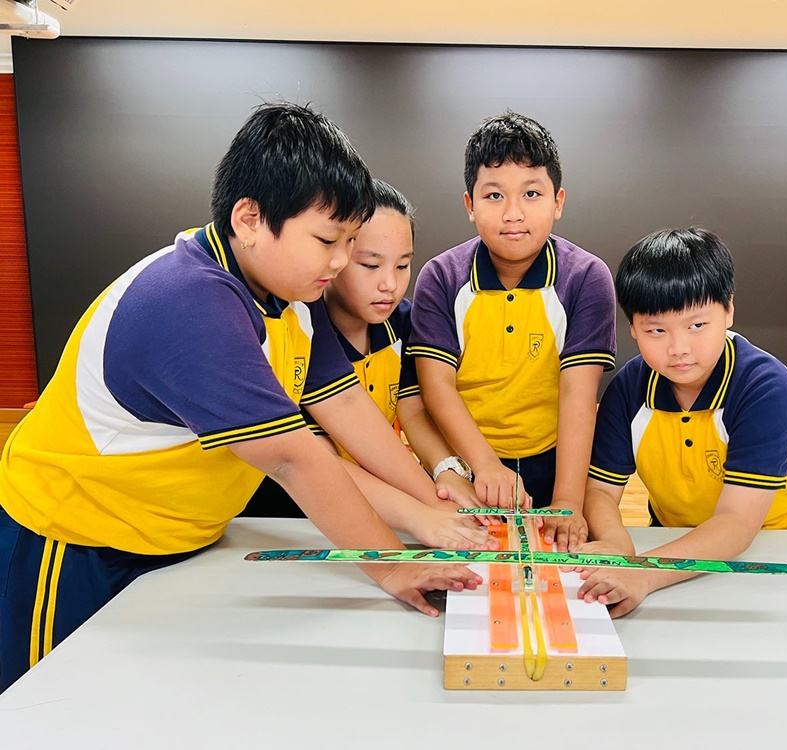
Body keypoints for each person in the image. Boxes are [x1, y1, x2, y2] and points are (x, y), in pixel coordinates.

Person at [0, 103, 482, 693]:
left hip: (180, 537)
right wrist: (393, 566)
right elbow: (292, 458)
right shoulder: (189, 302)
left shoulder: (293, 295)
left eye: (349, 242)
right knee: (50, 701)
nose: (338, 262)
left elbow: (346, 406)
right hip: (76, 541)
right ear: (250, 218)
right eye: (327, 240)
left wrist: (435, 508)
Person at [577, 228, 787, 617]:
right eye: (656, 330)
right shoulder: (629, 388)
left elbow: (737, 522)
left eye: (697, 325)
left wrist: (643, 572)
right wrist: (617, 544)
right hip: (671, 549)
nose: (679, 349)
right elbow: (600, 491)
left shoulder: (766, 387)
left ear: (728, 310)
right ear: (633, 328)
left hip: (775, 549)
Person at [408, 110, 617, 550]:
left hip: (555, 463)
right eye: (494, 196)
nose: (513, 213)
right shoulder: (440, 276)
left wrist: (568, 500)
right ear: (470, 205)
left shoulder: (586, 277)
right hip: (465, 464)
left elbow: (578, 394)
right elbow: (436, 386)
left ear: (558, 202)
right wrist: (483, 465)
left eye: (532, 193)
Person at [244, 179, 483, 518]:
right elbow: (319, 460)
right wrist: (424, 513)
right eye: (371, 265)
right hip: (294, 513)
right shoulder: (299, 329)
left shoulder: (404, 322)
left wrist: (445, 470)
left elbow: (412, 410)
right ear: (335, 256)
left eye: (402, 265)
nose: (390, 284)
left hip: (390, 500)